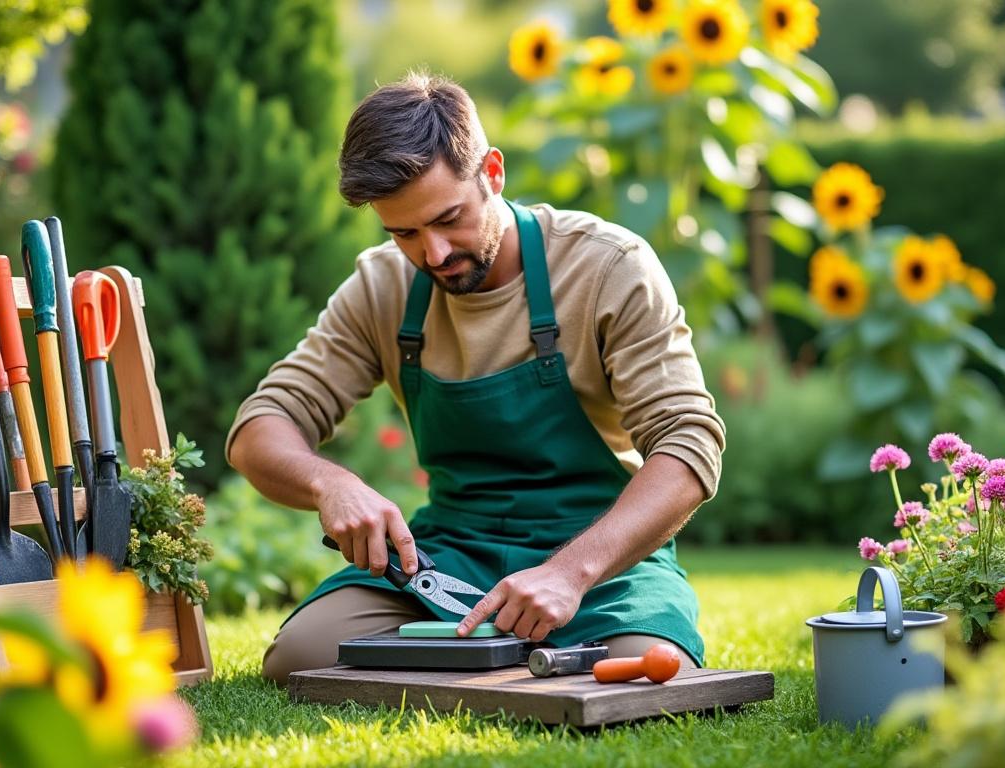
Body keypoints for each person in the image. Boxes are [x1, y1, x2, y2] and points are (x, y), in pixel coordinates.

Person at [226, 73, 726, 686]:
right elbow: (259, 429)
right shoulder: (382, 285)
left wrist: (570, 573)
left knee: (636, 668)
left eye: (448, 219)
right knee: (303, 654)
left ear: (492, 172)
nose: (432, 253)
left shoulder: (608, 266)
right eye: (403, 232)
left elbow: (689, 442)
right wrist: (330, 484)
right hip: (447, 560)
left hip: (602, 562)